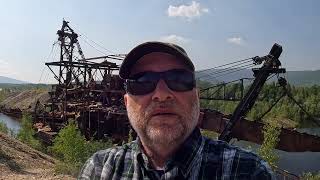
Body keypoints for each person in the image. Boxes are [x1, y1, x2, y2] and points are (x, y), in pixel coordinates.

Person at [78, 41, 275, 179]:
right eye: (142, 82)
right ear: (127, 102)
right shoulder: (100, 169)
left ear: (196, 97)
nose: (161, 94)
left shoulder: (247, 172)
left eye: (178, 80)